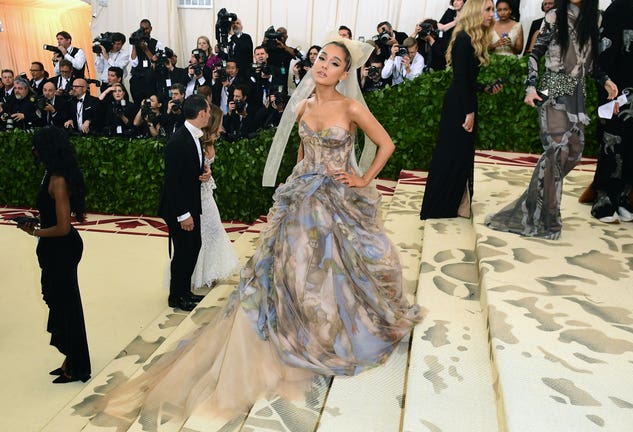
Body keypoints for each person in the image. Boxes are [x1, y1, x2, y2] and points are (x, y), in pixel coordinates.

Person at [87, 37, 422, 428]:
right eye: (321, 59)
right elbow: (302, 150)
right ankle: (295, 326)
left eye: (334, 63)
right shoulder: (303, 106)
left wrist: (362, 177)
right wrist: (296, 178)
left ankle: (333, 328)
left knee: (340, 262)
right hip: (303, 194)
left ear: (345, 73)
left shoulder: (350, 107)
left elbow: (386, 143)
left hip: (337, 195)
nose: (324, 66)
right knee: (292, 265)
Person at [485, 0, 618, 239]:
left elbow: (590, 62)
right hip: (551, 88)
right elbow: (536, 53)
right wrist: (530, 87)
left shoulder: (594, 19)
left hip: (576, 93)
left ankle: (531, 204)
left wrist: (606, 80)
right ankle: (548, 220)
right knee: (558, 151)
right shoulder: (554, 16)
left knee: (575, 153)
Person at [17, 127, 91, 384]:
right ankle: (72, 358)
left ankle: (77, 364)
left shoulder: (58, 180)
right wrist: (36, 223)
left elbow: (63, 227)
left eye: (36, 146)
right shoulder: (50, 172)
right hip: (54, 247)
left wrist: (35, 231)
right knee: (59, 302)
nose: (33, 150)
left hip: (62, 248)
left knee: (65, 305)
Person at [420, 0, 502, 219]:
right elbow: (459, 80)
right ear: (476, 11)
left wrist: (485, 88)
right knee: (452, 155)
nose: (492, 14)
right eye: (488, 9)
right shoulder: (464, 39)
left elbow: (467, 79)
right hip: (460, 106)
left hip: (464, 101)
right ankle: (441, 206)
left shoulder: (471, 38)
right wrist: (469, 111)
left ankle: (456, 203)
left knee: (461, 155)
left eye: (493, 9)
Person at [587, 0, 633, 222]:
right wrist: (608, 92)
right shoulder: (617, 9)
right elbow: (603, 55)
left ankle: (623, 196)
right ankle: (604, 197)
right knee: (613, 143)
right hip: (616, 92)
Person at [158, 94, 212, 312]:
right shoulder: (178, 141)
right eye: (208, 111)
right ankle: (176, 296)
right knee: (183, 251)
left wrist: (205, 172)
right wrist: (183, 215)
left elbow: (191, 168)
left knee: (193, 247)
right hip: (179, 208)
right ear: (201, 114)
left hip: (190, 203)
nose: (210, 114)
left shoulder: (193, 136)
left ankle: (184, 291)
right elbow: (172, 182)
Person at [191, 104, 240, 290]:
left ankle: (211, 271)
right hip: (197, 195)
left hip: (207, 193)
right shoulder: (196, 142)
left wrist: (208, 171)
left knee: (214, 230)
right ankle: (199, 274)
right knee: (203, 233)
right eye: (219, 122)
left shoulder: (210, 142)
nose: (221, 127)